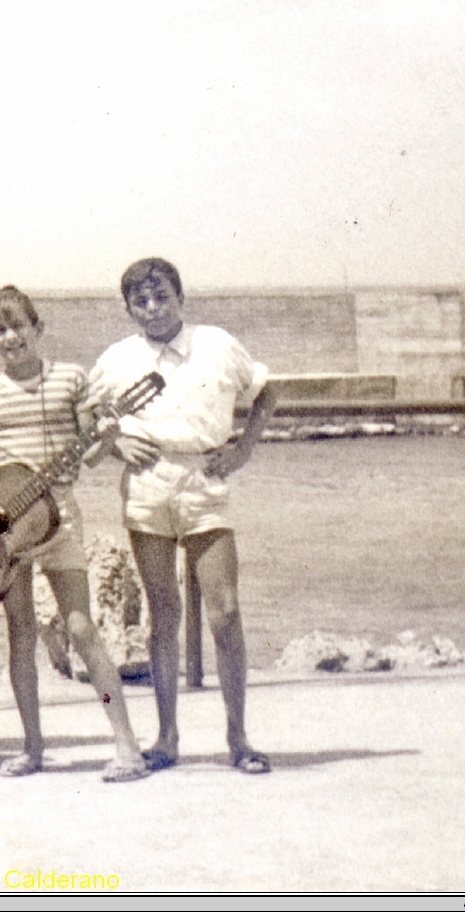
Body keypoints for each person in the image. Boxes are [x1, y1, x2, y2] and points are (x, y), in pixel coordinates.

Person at [0, 287, 148, 782]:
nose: (11, 338)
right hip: (6, 525)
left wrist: (107, 437)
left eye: (18, 326)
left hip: (59, 519)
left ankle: (126, 746)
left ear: (38, 329)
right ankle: (32, 747)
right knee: (20, 636)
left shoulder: (72, 379)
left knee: (81, 628)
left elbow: (91, 454)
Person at [89, 258, 277, 774]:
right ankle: (166, 737)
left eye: (162, 297)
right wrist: (117, 442)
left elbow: (265, 394)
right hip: (148, 488)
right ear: (128, 308)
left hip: (206, 481)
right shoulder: (118, 358)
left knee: (226, 611)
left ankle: (238, 739)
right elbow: (84, 415)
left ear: (179, 296)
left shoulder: (217, 343)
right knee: (163, 613)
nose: (153, 309)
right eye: (141, 302)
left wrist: (245, 449)